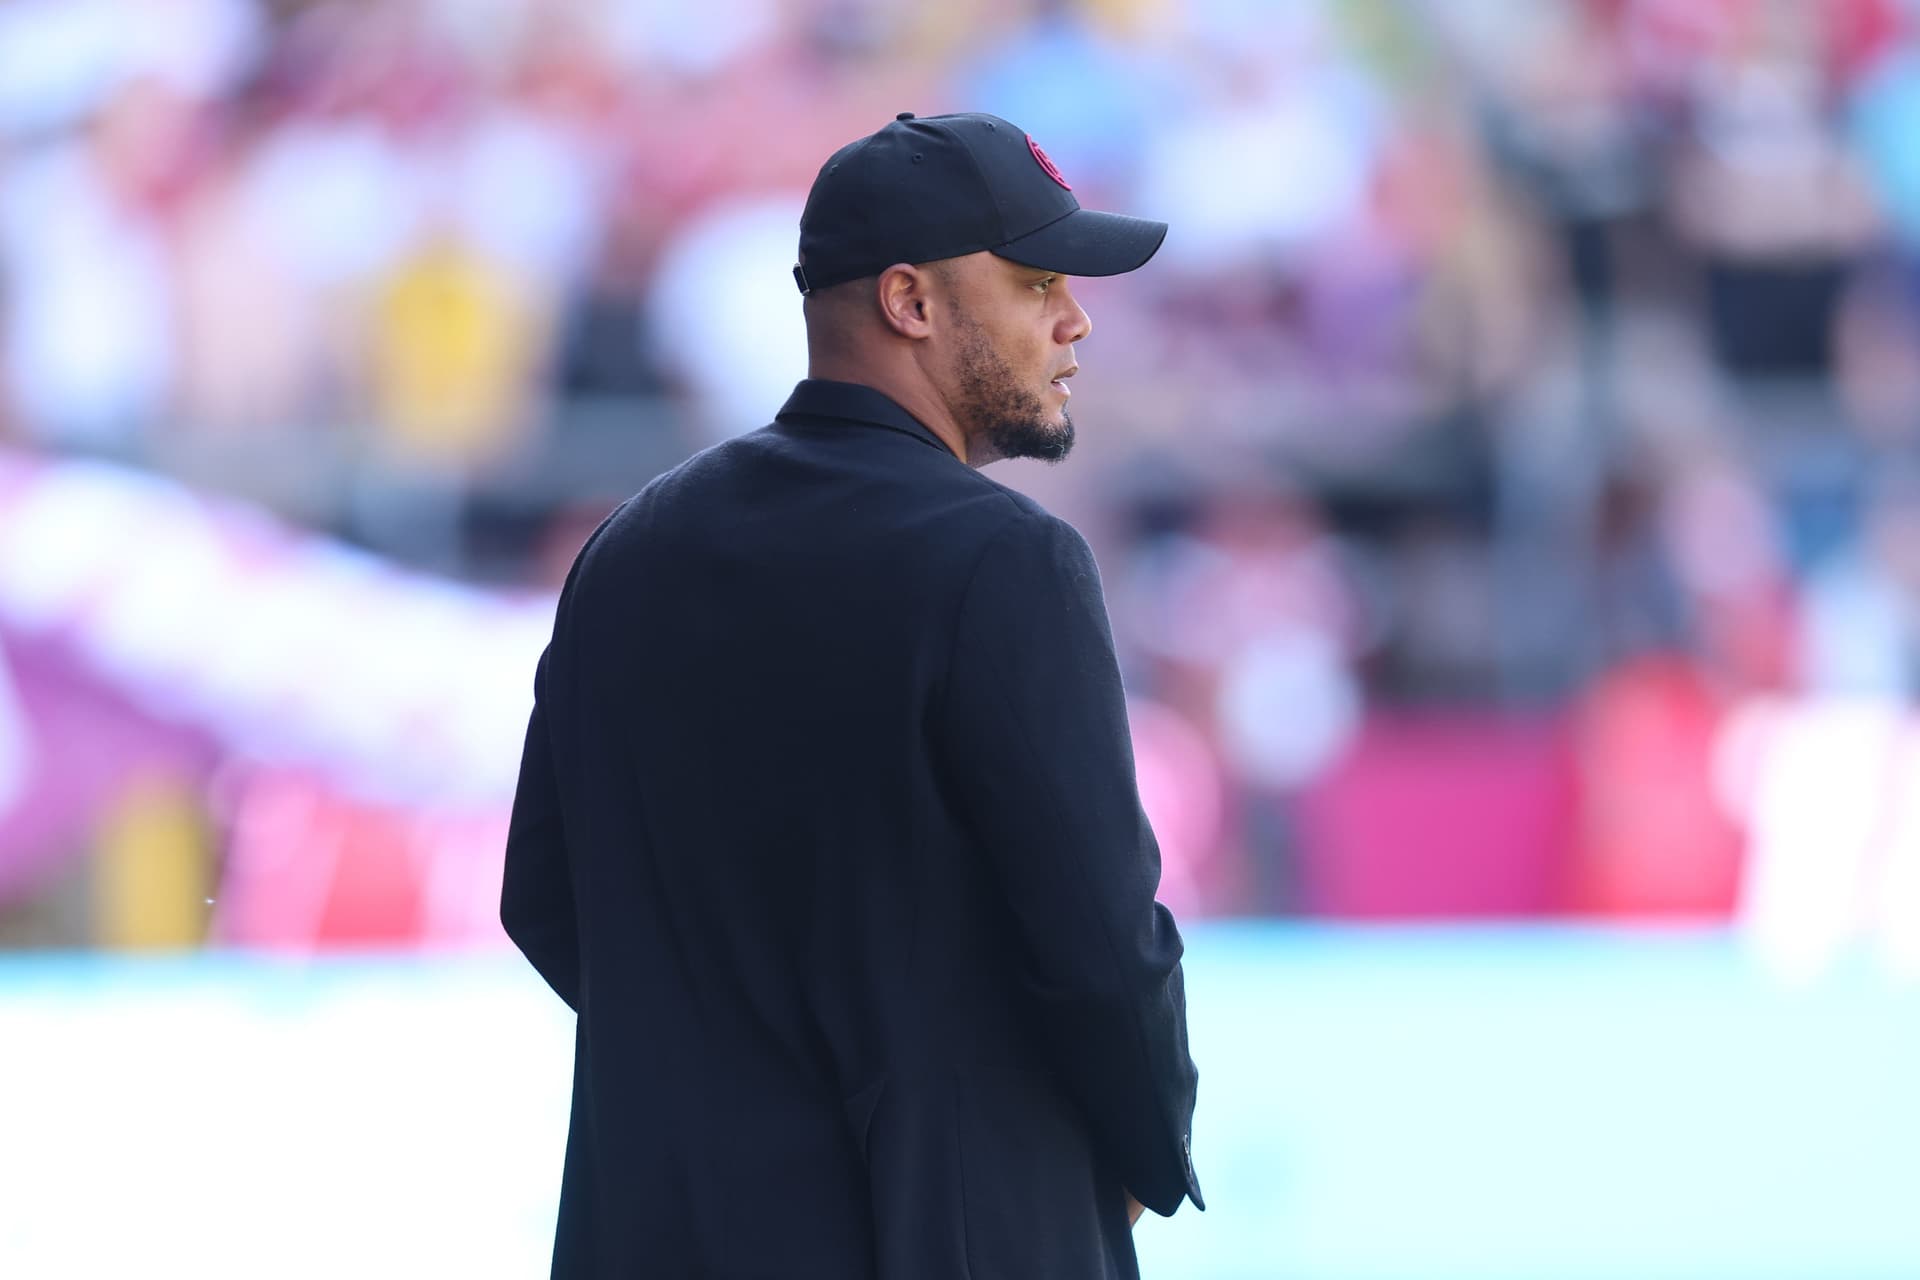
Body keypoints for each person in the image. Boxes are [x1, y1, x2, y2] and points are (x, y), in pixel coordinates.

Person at [502, 111, 1203, 1280]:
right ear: (910, 303)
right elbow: (1099, 945)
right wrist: (1141, 1149)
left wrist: (726, 1090)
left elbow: (543, 898)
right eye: (1035, 282)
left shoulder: (627, 553)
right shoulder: (1008, 562)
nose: (1075, 320)